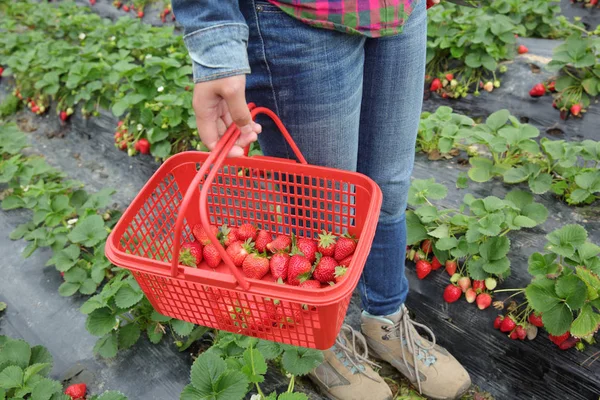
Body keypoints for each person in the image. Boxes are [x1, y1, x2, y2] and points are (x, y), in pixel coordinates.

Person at [171, 0, 471, 399]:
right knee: (322, 218)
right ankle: (320, 341)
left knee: (388, 189)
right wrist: (216, 46)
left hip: (400, 10)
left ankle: (384, 319)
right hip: (299, 19)